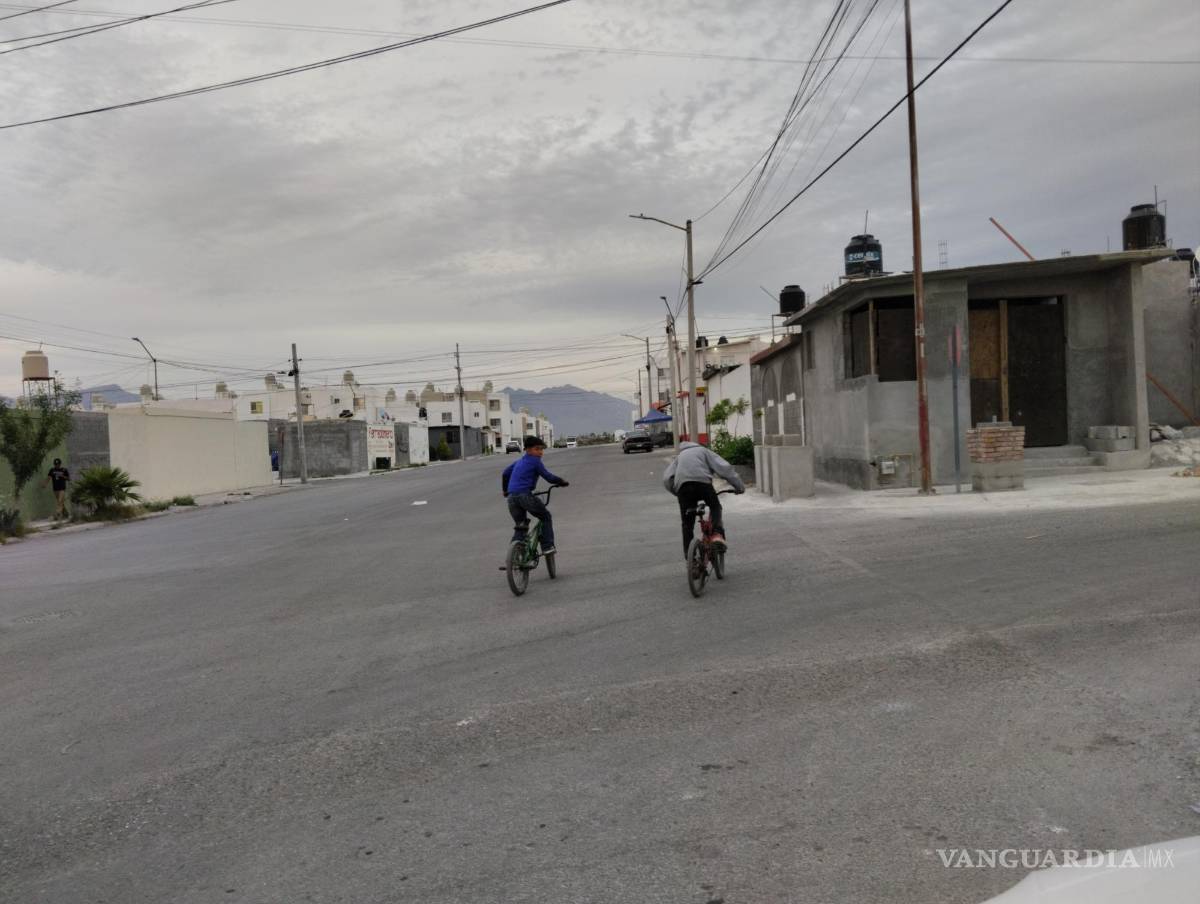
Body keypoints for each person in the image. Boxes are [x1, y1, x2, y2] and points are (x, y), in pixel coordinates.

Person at [663, 441, 745, 557]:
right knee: (715, 506)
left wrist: (678, 493)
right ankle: (716, 534)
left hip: (683, 488)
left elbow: (667, 478)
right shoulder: (704, 451)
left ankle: (690, 557)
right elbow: (724, 468)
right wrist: (739, 487)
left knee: (687, 523)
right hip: (702, 484)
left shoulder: (680, 456)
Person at [501, 435, 568, 554]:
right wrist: (561, 481)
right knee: (545, 516)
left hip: (511, 498)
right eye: (537, 449)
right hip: (525, 496)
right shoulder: (535, 461)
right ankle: (547, 546)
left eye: (541, 449)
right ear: (527, 449)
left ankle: (515, 554)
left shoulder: (519, 461)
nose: (540, 452)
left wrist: (505, 490)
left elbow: (505, 473)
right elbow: (548, 476)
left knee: (521, 525)